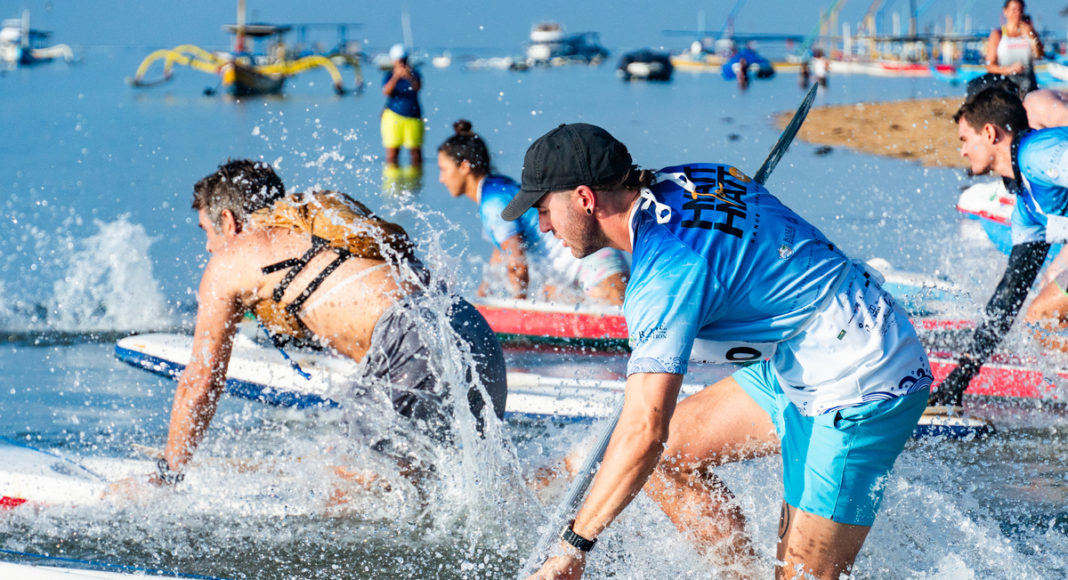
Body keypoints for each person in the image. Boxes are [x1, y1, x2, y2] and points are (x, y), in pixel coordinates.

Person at [509, 124, 933, 579]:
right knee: (670, 459)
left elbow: (643, 432)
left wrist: (573, 546)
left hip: (864, 378)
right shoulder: (693, 175)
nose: (543, 226)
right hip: (799, 351)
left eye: (543, 208)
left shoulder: (663, 279)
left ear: (584, 199)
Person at [147, 159, 507, 487]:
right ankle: (561, 473)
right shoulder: (318, 225)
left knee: (353, 490)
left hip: (410, 338)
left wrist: (168, 477)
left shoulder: (230, 260)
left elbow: (200, 380)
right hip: (468, 327)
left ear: (228, 221)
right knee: (458, 486)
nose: (209, 248)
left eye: (206, 232)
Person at [929, 88, 1068, 408]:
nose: (962, 151)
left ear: (989, 132)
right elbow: (1008, 297)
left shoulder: (1040, 153)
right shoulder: (1027, 210)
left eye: (965, 139)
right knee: (1039, 317)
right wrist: (960, 378)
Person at [437, 119, 628, 305]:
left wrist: (518, 305)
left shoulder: (492, 203)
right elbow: (501, 253)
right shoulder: (499, 187)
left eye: (443, 169)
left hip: (592, 265)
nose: (441, 179)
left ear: (464, 167)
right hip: (571, 273)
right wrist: (482, 297)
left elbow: (517, 263)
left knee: (621, 330)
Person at [984, 0, 1043, 96]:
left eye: (1020, 10)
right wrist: (1009, 69)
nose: (1017, 13)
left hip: (1028, 83)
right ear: (1005, 11)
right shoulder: (998, 34)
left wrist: (1032, 36)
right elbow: (990, 66)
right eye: (1014, 10)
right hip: (1006, 83)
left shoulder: (1030, 33)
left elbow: (1039, 55)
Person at [381, 43, 423, 169]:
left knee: (415, 153)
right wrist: (396, 77)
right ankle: (393, 179)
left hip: (413, 116)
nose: (401, 63)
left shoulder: (415, 74)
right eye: (398, 61)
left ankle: (415, 181)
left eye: (403, 60)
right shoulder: (388, 75)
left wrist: (409, 76)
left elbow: (418, 88)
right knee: (392, 153)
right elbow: (386, 92)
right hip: (393, 115)